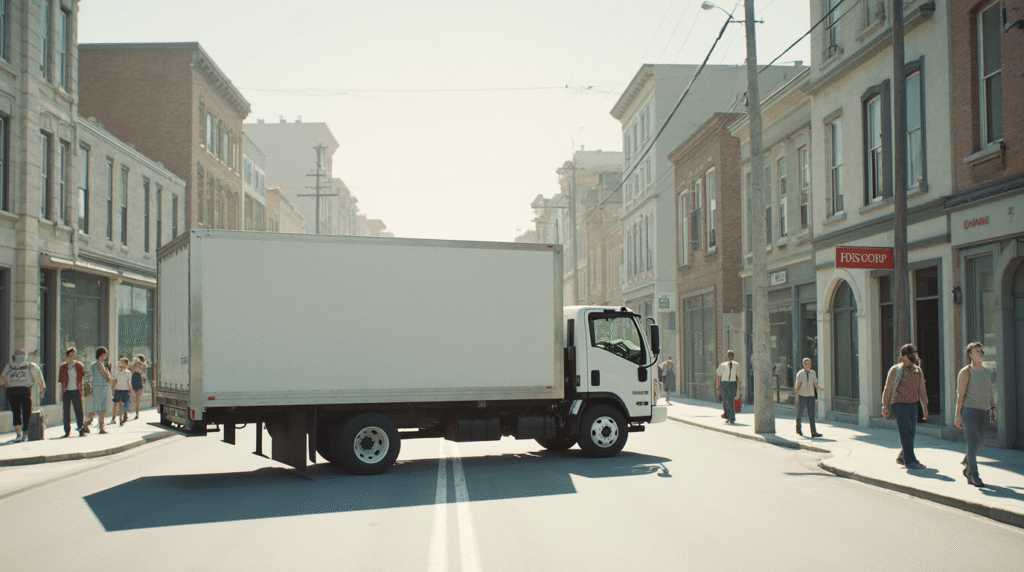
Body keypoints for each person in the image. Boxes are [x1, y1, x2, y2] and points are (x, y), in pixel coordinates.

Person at [955, 342, 997, 487]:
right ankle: (974, 475)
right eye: (977, 351)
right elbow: (960, 396)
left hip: (984, 412)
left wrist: (993, 408)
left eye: (982, 351)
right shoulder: (965, 372)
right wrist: (957, 416)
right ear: (970, 354)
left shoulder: (987, 372)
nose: (981, 353)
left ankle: (968, 464)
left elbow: (989, 391)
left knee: (979, 443)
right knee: (973, 443)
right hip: (970, 412)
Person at [881, 343, 929, 470]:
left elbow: (922, 389)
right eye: (911, 353)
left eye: (914, 353)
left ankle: (902, 456)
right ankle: (910, 461)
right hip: (899, 405)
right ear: (904, 356)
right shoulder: (895, 370)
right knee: (906, 432)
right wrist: (884, 406)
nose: (914, 356)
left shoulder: (917, 370)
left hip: (913, 405)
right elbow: (887, 388)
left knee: (911, 433)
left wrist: (925, 406)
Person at [1, 349, 45, 442]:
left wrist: (7, 385)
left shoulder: (9, 366)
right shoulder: (30, 365)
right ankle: (25, 434)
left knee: (16, 412)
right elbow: (38, 375)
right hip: (25, 390)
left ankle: (18, 435)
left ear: (15, 356)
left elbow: (2, 379)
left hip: (12, 390)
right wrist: (42, 388)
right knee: (26, 412)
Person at [59, 347, 87, 437]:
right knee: (66, 412)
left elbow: (82, 377)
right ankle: (67, 431)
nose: (72, 357)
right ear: (67, 356)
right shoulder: (63, 366)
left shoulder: (79, 365)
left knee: (79, 411)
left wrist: (82, 390)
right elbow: (62, 380)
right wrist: (61, 393)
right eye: (70, 356)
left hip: (76, 390)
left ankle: (81, 429)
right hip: (66, 391)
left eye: (73, 355)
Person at [83, 347, 112, 435]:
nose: (105, 356)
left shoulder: (94, 364)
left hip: (96, 388)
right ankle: (101, 428)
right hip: (101, 388)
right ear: (102, 354)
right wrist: (109, 377)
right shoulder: (99, 364)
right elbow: (104, 374)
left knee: (96, 408)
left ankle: (86, 423)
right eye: (105, 354)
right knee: (102, 408)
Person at [794, 357, 824, 437]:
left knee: (812, 414)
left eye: (809, 363)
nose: (808, 365)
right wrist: (797, 397)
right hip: (802, 395)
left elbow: (815, 383)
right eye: (806, 363)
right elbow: (797, 386)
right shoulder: (800, 373)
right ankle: (798, 428)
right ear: (803, 364)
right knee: (800, 413)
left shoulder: (813, 373)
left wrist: (819, 388)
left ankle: (813, 432)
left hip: (811, 395)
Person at [715, 350, 742, 424]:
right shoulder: (737, 364)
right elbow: (738, 377)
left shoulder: (722, 365)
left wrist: (717, 386)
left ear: (727, 356)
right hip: (733, 384)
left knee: (726, 400)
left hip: (725, 384)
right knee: (731, 400)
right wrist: (740, 386)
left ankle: (730, 416)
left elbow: (718, 376)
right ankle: (729, 416)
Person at [111, 357, 132, 426]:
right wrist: (112, 389)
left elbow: (128, 381)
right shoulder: (117, 372)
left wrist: (130, 388)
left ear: (126, 364)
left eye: (122, 362)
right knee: (115, 404)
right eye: (120, 362)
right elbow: (115, 381)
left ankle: (121, 418)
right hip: (118, 389)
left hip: (125, 390)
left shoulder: (128, 372)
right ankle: (113, 417)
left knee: (121, 404)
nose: (121, 364)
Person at [131, 355, 148, 420]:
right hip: (137, 380)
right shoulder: (137, 364)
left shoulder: (137, 364)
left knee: (137, 398)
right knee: (137, 398)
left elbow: (134, 371)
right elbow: (138, 371)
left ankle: (136, 413)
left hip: (136, 379)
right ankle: (136, 413)